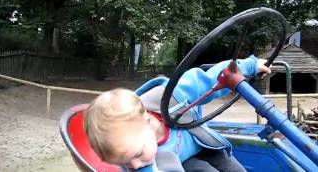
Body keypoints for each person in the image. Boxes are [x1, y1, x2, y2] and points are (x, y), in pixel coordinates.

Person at [83, 55, 271, 171]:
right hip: (181, 164)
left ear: (147, 122)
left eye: (137, 154)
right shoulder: (141, 161)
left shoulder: (169, 98)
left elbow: (211, 79)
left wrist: (250, 66)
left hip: (204, 146)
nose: (135, 166)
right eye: (125, 164)